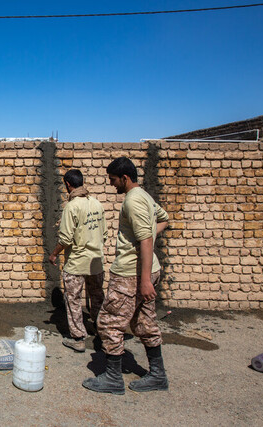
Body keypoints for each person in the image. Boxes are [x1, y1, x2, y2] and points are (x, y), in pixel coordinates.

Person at [83, 157, 169, 394]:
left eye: (113, 180)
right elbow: (163, 220)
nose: (112, 185)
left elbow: (146, 239)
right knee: (144, 322)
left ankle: (112, 379)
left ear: (125, 178)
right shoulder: (146, 197)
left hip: (131, 274)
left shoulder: (133, 201)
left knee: (108, 322)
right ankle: (158, 375)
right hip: (144, 270)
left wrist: (143, 281)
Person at [48, 169, 107, 353]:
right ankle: (102, 331)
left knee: (73, 300)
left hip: (76, 264)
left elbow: (65, 239)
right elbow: (104, 234)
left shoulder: (72, 207)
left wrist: (54, 254)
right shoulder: (97, 204)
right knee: (97, 297)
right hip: (96, 262)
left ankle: (79, 338)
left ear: (67, 184)